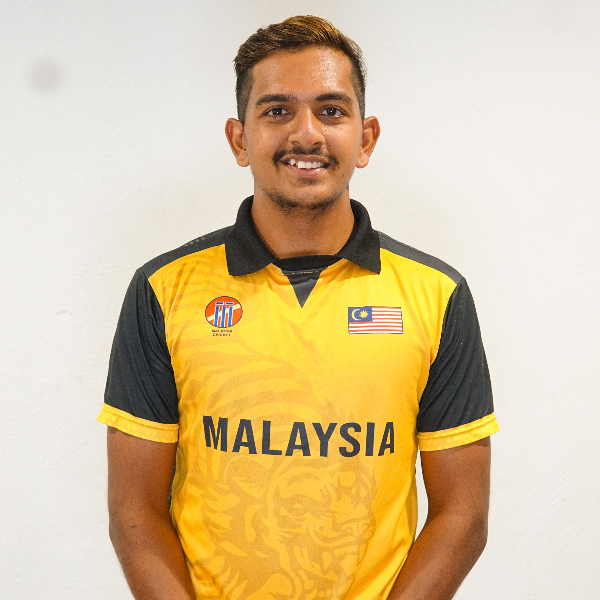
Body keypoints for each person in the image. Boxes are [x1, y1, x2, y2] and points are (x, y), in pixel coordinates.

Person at [98, 15, 499, 600]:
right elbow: (134, 514)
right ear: (240, 139)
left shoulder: (437, 294)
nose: (306, 134)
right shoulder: (163, 289)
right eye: (277, 110)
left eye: (331, 111)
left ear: (366, 139)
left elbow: (462, 517)